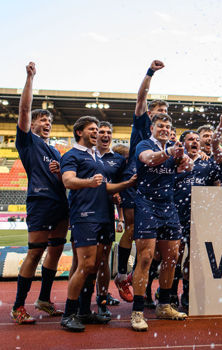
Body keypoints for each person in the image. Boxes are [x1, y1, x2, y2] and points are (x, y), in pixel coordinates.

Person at [59, 116, 136, 331]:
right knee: (84, 266)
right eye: (92, 129)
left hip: (104, 217)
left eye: (97, 129)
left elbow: (104, 187)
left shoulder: (97, 159)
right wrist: (89, 182)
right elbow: (68, 181)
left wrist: (126, 184)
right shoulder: (72, 155)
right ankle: (68, 314)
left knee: (94, 267)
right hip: (85, 216)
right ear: (79, 132)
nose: (96, 132)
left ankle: (84, 311)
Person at [12, 62, 69, 324]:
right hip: (40, 201)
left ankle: (43, 300)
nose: (47, 123)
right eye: (42, 119)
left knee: (56, 251)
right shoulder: (27, 141)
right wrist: (29, 78)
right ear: (31, 123)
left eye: (49, 120)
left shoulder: (55, 151)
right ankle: (18, 307)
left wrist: (60, 173)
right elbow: (24, 108)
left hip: (60, 204)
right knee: (35, 252)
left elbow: (63, 179)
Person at [114, 60, 168, 305]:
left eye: (165, 112)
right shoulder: (141, 124)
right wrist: (150, 73)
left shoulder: (164, 133)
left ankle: (140, 285)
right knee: (133, 228)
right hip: (135, 180)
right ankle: (123, 273)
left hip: (156, 184)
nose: (161, 115)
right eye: (157, 111)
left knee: (151, 243)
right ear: (149, 114)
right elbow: (140, 97)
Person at [130, 113, 190, 331]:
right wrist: (169, 152)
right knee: (145, 258)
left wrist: (185, 159)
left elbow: (186, 166)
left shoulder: (173, 146)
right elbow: (148, 159)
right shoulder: (144, 144)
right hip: (146, 204)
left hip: (169, 205)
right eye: (160, 126)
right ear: (152, 129)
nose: (164, 129)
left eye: (167, 126)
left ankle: (163, 304)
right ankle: (137, 311)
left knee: (173, 258)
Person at [172, 130, 219, 311]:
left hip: (198, 218)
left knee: (193, 258)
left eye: (197, 140)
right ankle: (170, 293)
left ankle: (187, 293)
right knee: (174, 257)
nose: (195, 142)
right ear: (183, 143)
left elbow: (217, 186)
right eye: (190, 139)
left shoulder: (207, 163)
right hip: (177, 215)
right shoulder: (175, 162)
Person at [95, 121, 127, 315]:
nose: (105, 135)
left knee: (103, 260)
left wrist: (121, 218)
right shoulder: (84, 156)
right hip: (86, 214)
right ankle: (79, 302)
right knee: (84, 261)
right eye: (101, 132)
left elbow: (121, 192)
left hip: (107, 215)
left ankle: (103, 297)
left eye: (109, 132)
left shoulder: (118, 160)